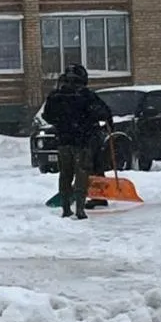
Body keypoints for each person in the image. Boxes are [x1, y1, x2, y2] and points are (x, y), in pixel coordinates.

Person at [41, 64, 112, 219]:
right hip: (82, 142)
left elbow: (47, 116)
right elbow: (103, 113)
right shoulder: (86, 96)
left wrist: (62, 121)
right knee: (82, 174)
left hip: (63, 142)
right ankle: (80, 208)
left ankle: (66, 207)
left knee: (65, 175)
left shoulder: (55, 96)